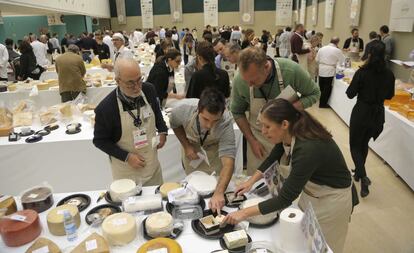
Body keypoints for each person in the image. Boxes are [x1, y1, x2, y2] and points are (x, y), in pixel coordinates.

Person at [223, 98, 353, 253]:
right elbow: (273, 158)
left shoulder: (307, 148)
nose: (263, 131)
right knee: (303, 238)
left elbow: (285, 199)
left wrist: (243, 213)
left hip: (331, 201)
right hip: (312, 194)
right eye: (262, 125)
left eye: (267, 126)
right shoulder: (291, 132)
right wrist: (250, 182)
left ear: (284, 124)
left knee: (321, 245)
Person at [230, 47, 320, 175]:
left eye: (254, 80)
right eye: (246, 80)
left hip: (287, 139)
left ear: (266, 67)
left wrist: (288, 109)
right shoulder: (241, 80)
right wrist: (251, 140)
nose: (249, 85)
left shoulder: (291, 71)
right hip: (258, 139)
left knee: (284, 179)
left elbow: (314, 93)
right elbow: (237, 112)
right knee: (256, 184)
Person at [93, 58, 168, 185]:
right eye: (130, 83)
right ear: (118, 81)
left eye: (139, 79)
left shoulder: (149, 90)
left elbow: (157, 112)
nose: (137, 87)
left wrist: (162, 130)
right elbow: (100, 140)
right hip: (127, 173)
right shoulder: (106, 108)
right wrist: (126, 157)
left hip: (152, 166)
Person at [169, 88, 235, 212]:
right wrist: (186, 146)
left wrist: (219, 193)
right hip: (192, 146)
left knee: (216, 184)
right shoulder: (182, 109)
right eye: (205, 119)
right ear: (198, 110)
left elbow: (228, 162)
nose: (209, 125)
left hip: (214, 150)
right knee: (194, 187)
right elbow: (175, 124)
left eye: (215, 120)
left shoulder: (226, 121)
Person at [346, 42, 395, 197]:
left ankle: (363, 176)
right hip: (377, 114)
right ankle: (359, 174)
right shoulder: (389, 74)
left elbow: (350, 93)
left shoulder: (362, 72)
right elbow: (389, 96)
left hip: (362, 112)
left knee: (354, 145)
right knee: (364, 143)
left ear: (369, 53)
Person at [316, 37, 345, 108]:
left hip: (321, 69)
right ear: (337, 42)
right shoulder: (337, 50)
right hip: (329, 70)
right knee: (327, 88)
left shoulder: (322, 48)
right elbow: (342, 61)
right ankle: (323, 104)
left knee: (321, 87)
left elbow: (317, 59)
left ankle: (321, 102)